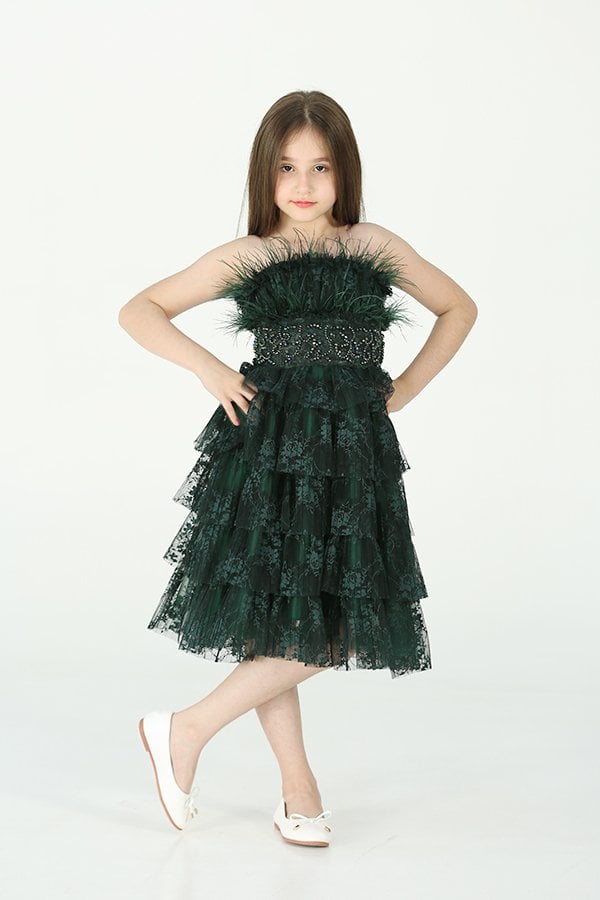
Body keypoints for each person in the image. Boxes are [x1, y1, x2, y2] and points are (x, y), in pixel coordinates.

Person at [118, 89, 478, 845]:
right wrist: (210, 369)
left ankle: (189, 732)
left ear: (345, 170)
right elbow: (140, 310)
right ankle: (290, 786)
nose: (304, 184)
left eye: (320, 166)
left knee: (341, 619)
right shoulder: (252, 254)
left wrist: (406, 389)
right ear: (265, 172)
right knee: (275, 617)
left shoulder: (371, 245)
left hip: (351, 457)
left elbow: (459, 308)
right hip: (269, 451)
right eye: (287, 167)